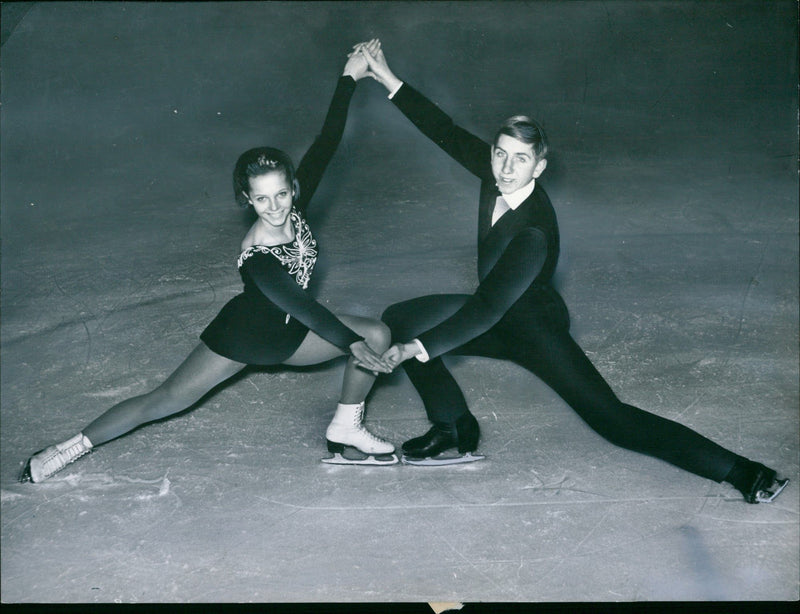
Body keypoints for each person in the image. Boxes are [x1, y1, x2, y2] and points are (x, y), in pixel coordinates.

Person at [356, 41, 787, 503]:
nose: (505, 167)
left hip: (532, 328)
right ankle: (453, 427)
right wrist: (384, 75)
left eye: (520, 160)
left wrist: (412, 350)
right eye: (500, 154)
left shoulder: (533, 232)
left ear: (539, 167)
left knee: (613, 421)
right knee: (401, 314)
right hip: (495, 313)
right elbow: (443, 129)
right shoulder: (495, 173)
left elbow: (486, 308)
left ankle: (748, 474)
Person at [20, 40, 399, 483]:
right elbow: (303, 305)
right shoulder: (258, 257)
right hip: (244, 338)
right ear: (247, 200)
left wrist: (350, 77)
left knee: (376, 331)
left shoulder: (294, 206)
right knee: (163, 400)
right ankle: (63, 451)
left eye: (281, 193)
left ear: (293, 188)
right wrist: (351, 344)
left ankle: (345, 428)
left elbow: (327, 141)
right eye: (261, 199)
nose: (274, 206)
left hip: (292, 338)